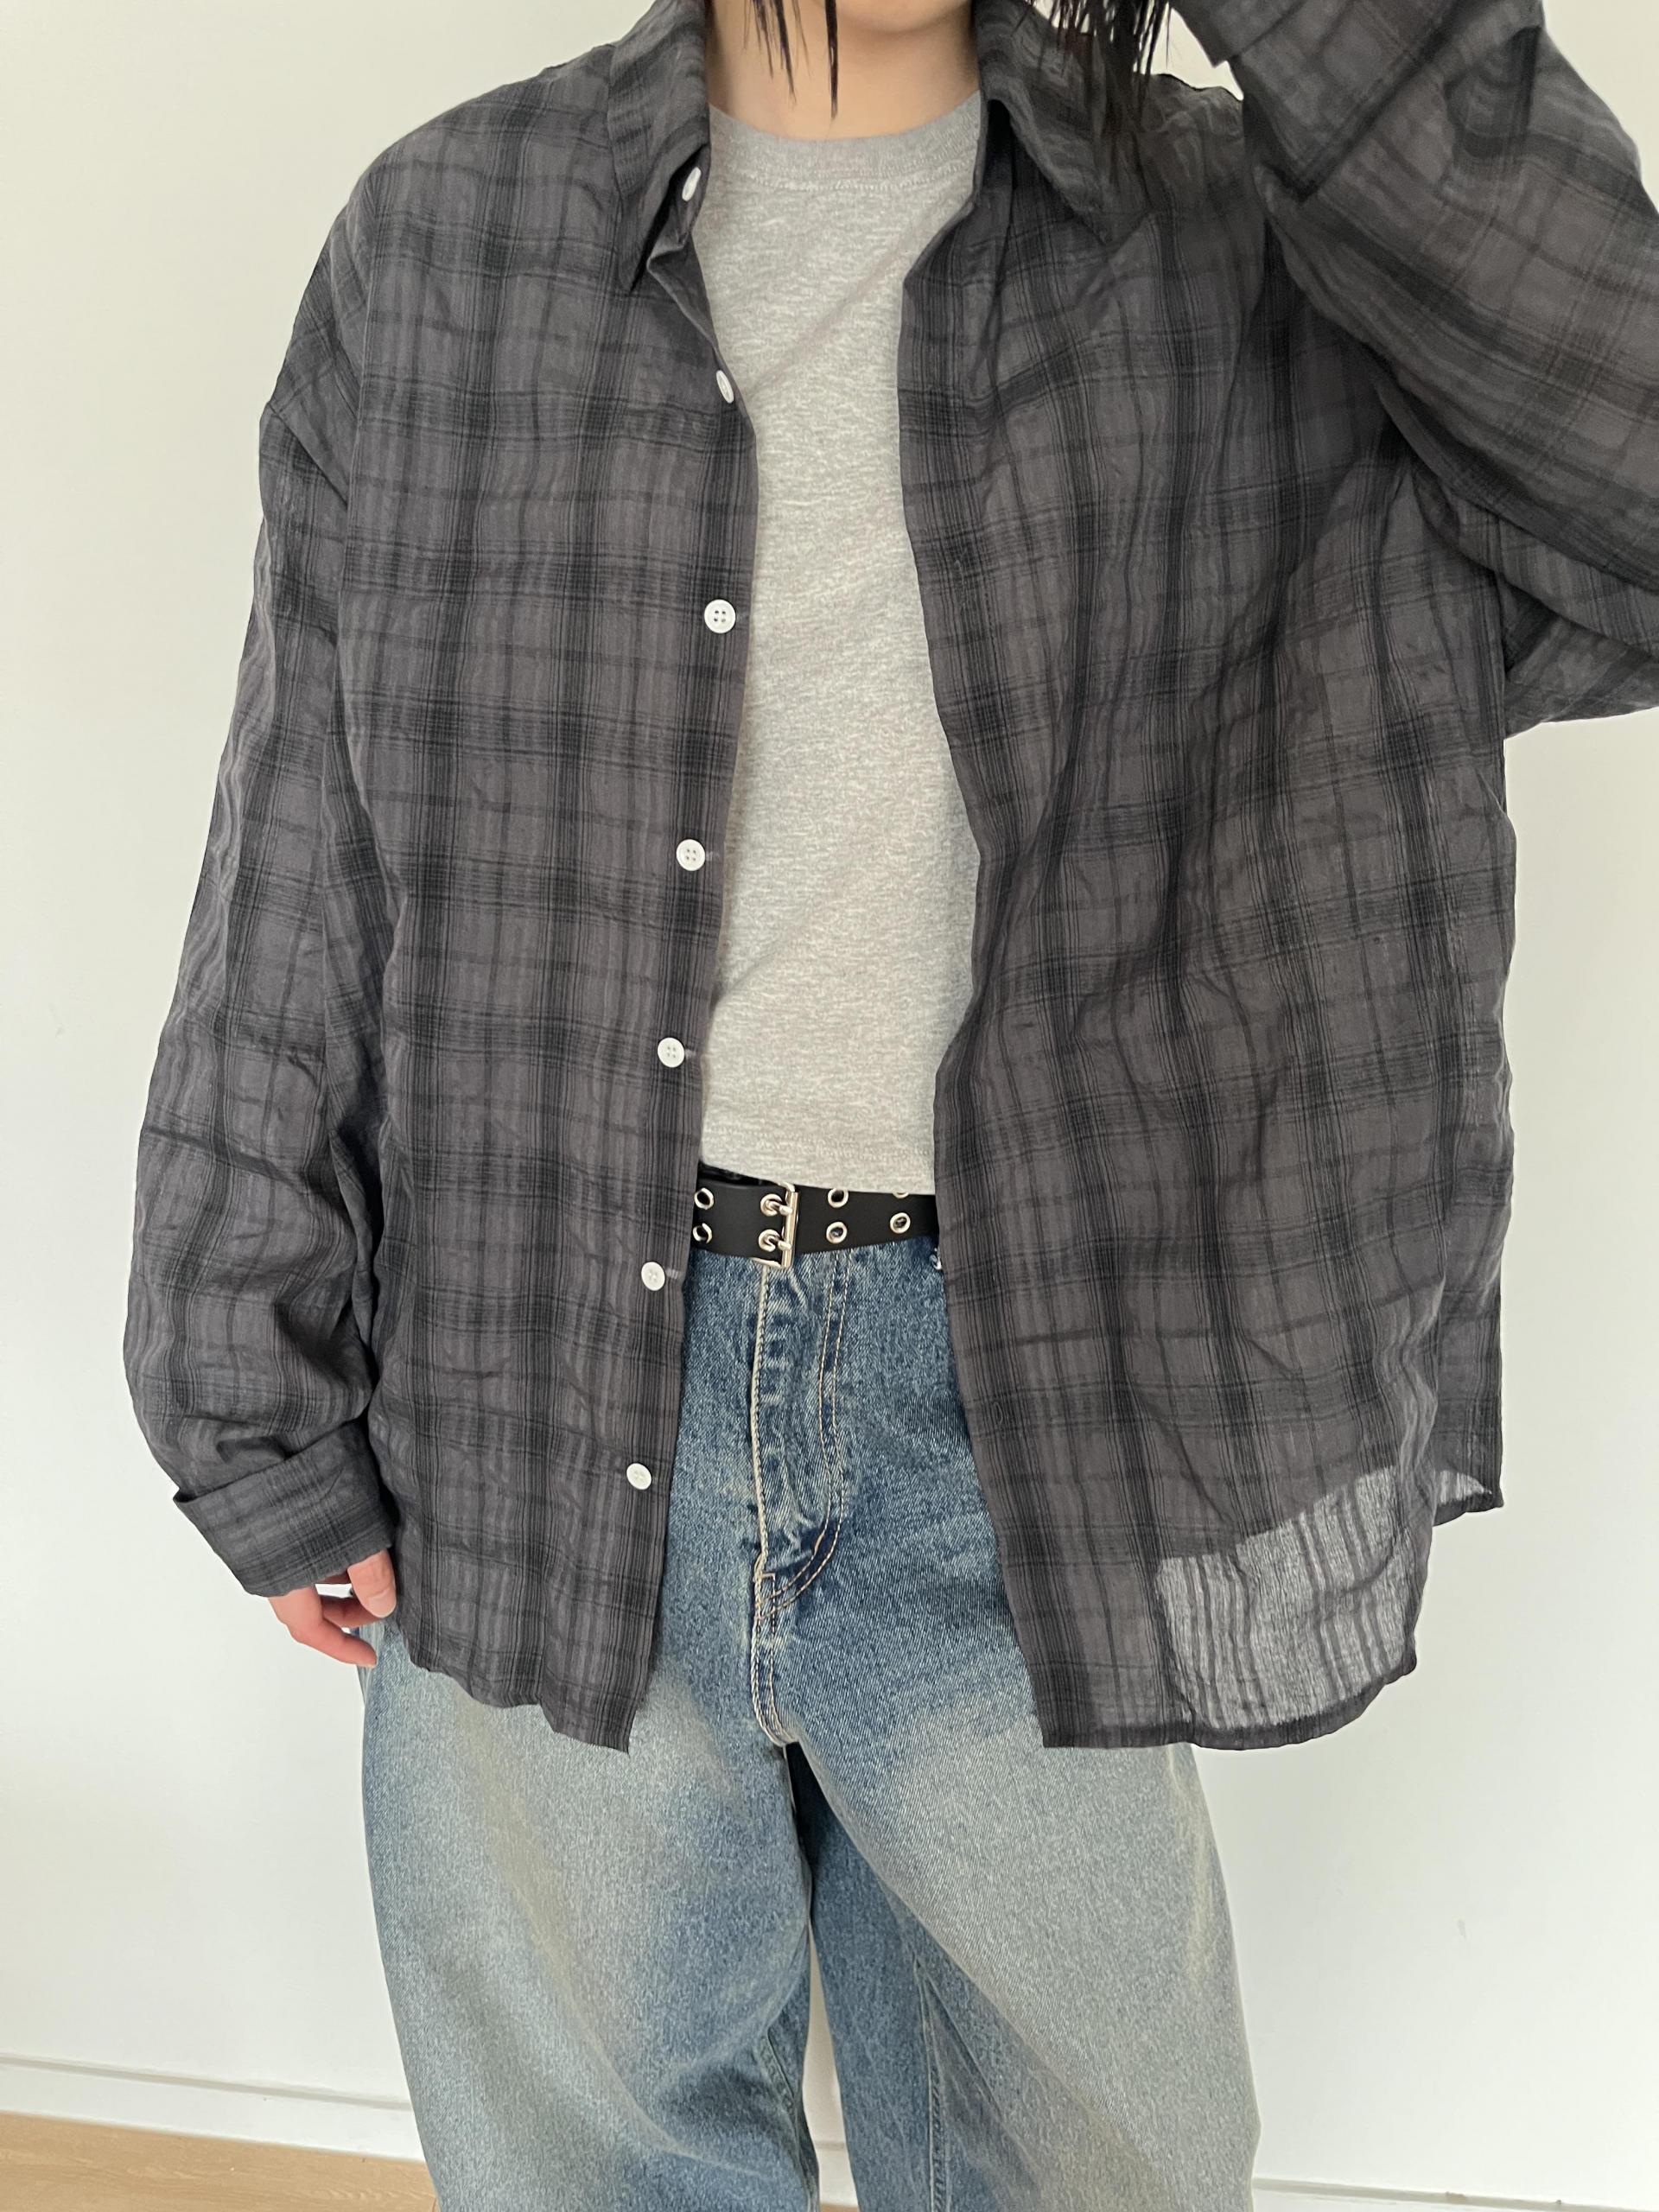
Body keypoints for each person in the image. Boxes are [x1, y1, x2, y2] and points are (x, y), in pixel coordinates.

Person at [123, 0, 1659, 2201]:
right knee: (591, 2167)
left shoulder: (1257, 251)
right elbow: (306, 837)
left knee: (1105, 2162)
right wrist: (244, 1370)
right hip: (522, 1381)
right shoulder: (451, 235)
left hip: (1032, 1416)